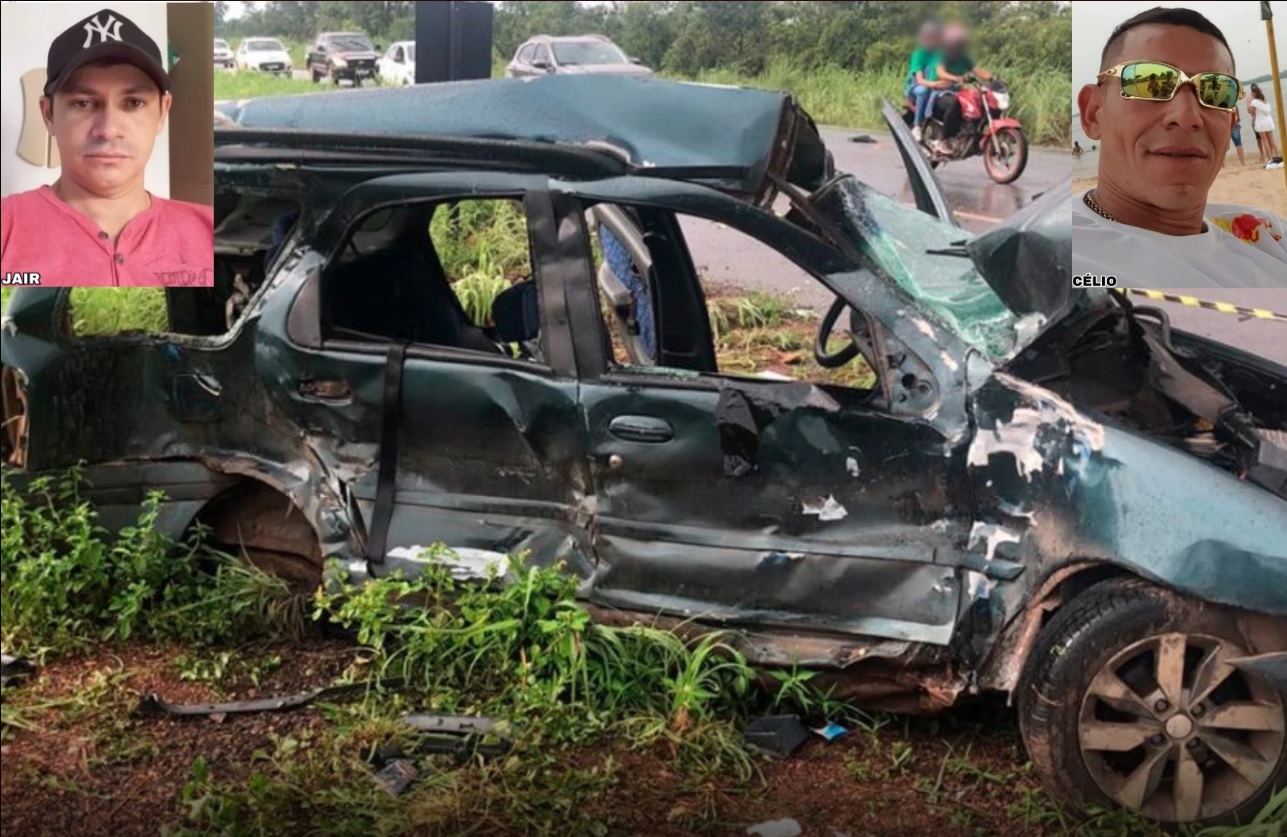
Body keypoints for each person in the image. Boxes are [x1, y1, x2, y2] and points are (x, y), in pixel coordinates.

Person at [1073, 8, 1287, 289]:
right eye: (1151, 83)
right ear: (1093, 113)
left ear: (1230, 121)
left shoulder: (1267, 234)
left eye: (1215, 91)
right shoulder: (1056, 256)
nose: (1187, 117)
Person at [0, 8, 214, 287]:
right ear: (49, 114)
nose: (109, 129)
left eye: (133, 103)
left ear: (163, 112)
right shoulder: (7, 229)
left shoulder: (209, 232)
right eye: (83, 103)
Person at [924, 24, 993, 154]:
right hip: (939, 93)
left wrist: (993, 78)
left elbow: (978, 71)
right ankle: (943, 140)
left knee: (978, 103)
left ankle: (972, 135)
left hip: (959, 92)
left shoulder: (963, 58)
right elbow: (940, 72)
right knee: (956, 102)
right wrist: (957, 78)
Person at [905, 20, 945, 143]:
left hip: (934, 87)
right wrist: (935, 84)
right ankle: (917, 125)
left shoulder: (940, 53)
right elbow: (920, 79)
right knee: (924, 90)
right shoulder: (919, 54)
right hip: (916, 87)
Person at [1248, 83, 1282, 169]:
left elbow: (1252, 113)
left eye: (1252, 92)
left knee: (1265, 140)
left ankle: (1270, 159)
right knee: (1271, 139)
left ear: (1254, 92)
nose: (1251, 94)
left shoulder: (1254, 102)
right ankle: (1277, 155)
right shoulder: (1264, 100)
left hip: (1261, 121)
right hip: (1268, 120)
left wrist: (1249, 107)